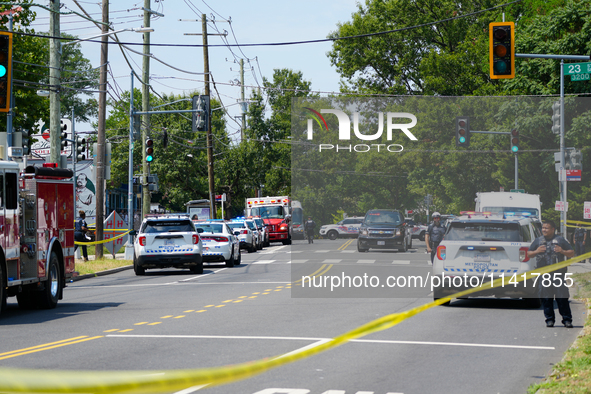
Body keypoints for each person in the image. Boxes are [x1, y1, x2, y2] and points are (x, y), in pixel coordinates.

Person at [528, 220, 575, 328]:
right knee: (546, 298)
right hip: (544, 274)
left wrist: (562, 250)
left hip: (558, 274)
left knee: (562, 297)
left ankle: (567, 320)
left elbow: (571, 253)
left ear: (553, 229)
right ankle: (549, 320)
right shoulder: (538, 241)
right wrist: (536, 251)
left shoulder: (560, 240)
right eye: (543, 228)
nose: (544, 230)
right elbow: (529, 254)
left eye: (546, 228)